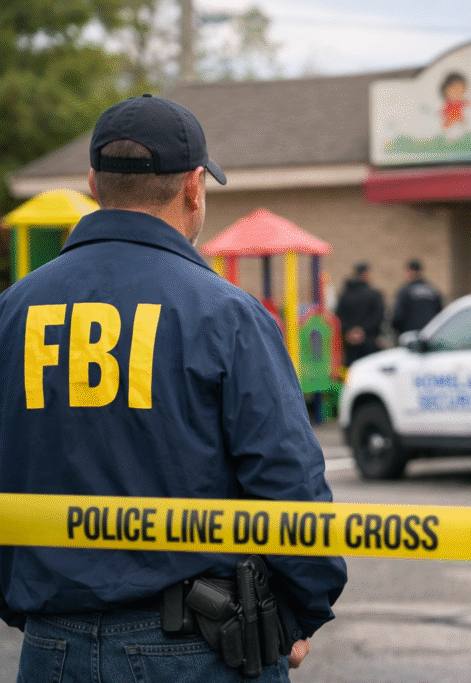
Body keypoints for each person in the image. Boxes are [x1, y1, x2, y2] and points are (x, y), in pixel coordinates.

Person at [0, 94, 348, 682]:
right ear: (193, 186)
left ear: (93, 181)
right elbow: (287, 481)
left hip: (51, 646)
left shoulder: (13, 312)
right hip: (197, 648)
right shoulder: (225, 313)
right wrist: (297, 613)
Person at [335, 261, 385, 365]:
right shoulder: (374, 294)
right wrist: (362, 331)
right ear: (366, 274)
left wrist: (350, 332)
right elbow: (378, 316)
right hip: (369, 342)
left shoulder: (345, 294)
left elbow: (338, 316)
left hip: (349, 342)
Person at [391, 258, 444, 336]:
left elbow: (398, 316)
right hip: (430, 335)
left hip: (411, 336)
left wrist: (397, 331)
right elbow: (440, 313)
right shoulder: (433, 290)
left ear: (409, 271)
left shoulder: (405, 291)